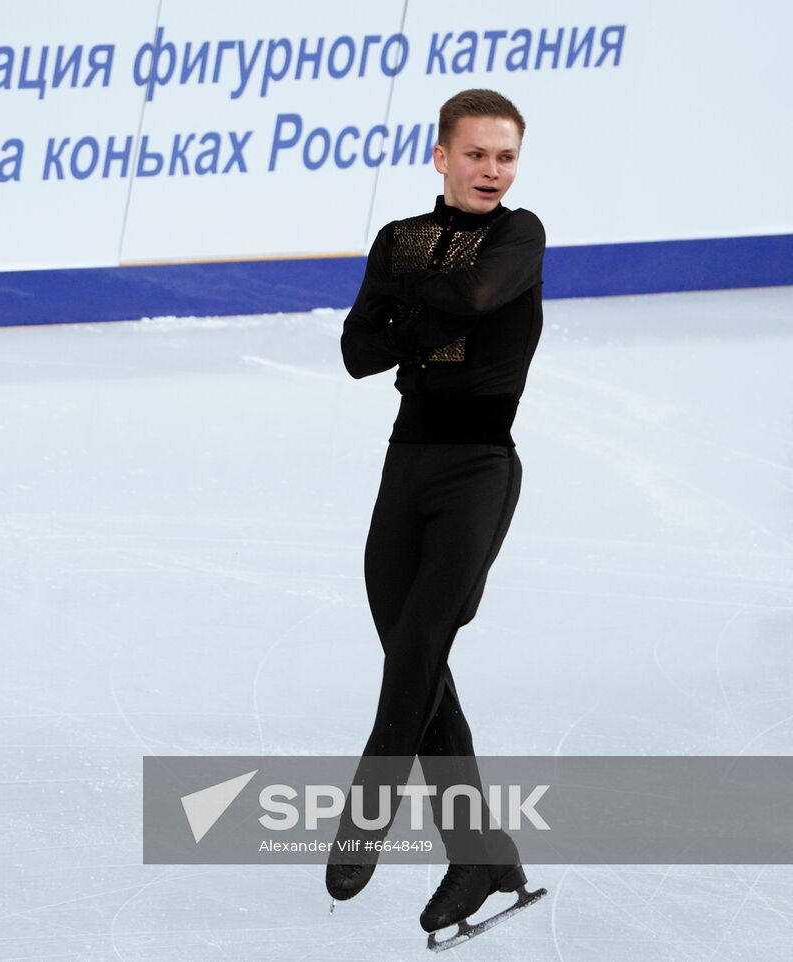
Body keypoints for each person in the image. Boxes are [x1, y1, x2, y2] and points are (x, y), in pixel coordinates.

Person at [324, 88, 546, 937]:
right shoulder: (398, 239)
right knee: (421, 668)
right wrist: (424, 313)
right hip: (405, 471)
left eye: (507, 156)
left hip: (480, 473)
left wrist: (406, 314)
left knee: (419, 645)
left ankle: (368, 809)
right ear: (442, 155)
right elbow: (355, 353)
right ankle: (484, 857)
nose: (494, 170)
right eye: (478, 154)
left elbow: (482, 295)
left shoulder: (521, 235)